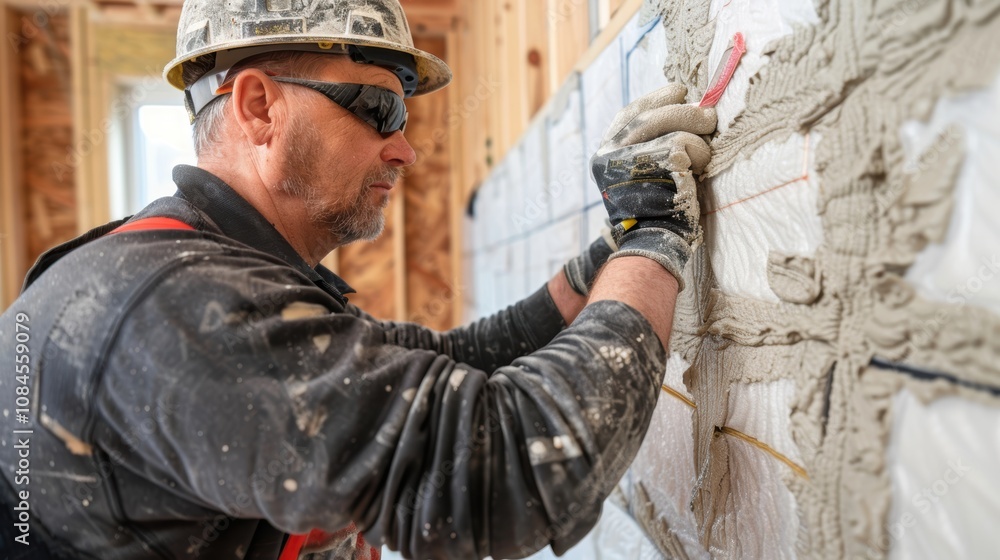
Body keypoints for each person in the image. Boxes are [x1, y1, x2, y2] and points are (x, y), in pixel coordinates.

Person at [0, 0, 716, 558]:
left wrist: (607, 257)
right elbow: (512, 472)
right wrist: (653, 236)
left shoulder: (210, 265)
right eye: (379, 110)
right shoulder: (172, 313)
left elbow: (450, 361)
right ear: (258, 108)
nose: (404, 148)